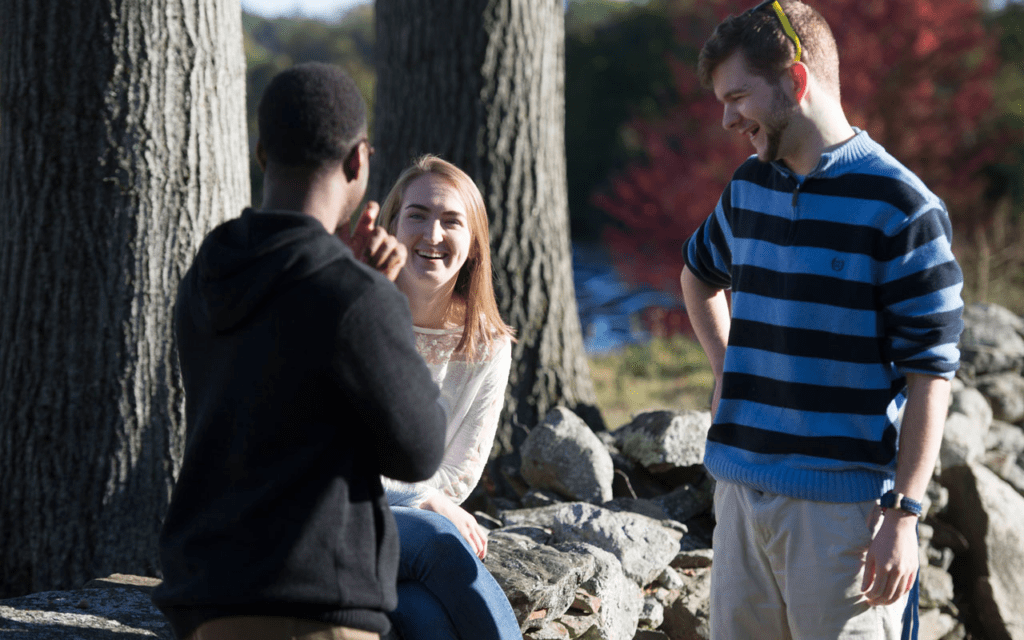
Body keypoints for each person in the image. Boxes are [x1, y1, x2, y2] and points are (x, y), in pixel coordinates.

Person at [679, 2, 964, 639]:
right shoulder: (747, 187)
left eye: (738, 97)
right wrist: (727, 368)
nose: (726, 119)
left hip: (845, 521)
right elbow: (697, 275)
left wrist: (904, 515)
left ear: (796, 82)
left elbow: (931, 376)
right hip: (740, 498)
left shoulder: (903, 207)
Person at [152, 63, 448, 640]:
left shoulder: (208, 275)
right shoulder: (356, 296)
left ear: (262, 151)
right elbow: (419, 450)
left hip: (205, 602)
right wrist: (384, 305)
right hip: (313, 607)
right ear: (359, 160)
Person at [374, 155, 521, 640]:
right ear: (391, 224)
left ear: (474, 243)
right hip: (334, 517)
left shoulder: (488, 346)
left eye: (452, 220)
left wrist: (428, 499)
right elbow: (327, 460)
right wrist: (423, 498)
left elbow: (459, 474)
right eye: (417, 214)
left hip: (404, 536)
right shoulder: (353, 316)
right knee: (439, 539)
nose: (432, 235)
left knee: (428, 621)